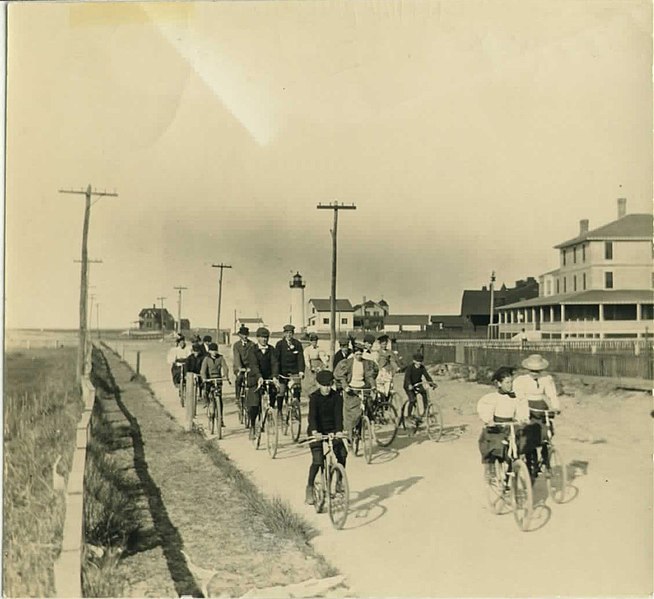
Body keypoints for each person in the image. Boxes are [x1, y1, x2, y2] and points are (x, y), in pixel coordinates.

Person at [477, 366, 530, 481]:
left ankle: (522, 465)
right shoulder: (493, 398)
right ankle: (490, 468)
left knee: (524, 441)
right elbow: (485, 409)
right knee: (494, 444)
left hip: (511, 426)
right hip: (497, 427)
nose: (510, 385)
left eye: (511, 382)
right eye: (507, 382)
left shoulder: (516, 397)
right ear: (499, 384)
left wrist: (523, 418)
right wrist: (489, 420)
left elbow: (521, 409)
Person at [513, 354, 561, 479]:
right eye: (532, 371)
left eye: (538, 371)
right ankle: (531, 464)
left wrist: (555, 407)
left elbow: (552, 394)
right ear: (528, 369)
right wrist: (523, 413)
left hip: (541, 407)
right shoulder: (521, 380)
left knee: (546, 434)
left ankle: (547, 463)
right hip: (526, 407)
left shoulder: (547, 379)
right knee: (530, 435)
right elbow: (520, 397)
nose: (535, 373)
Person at [305, 369, 346, 504]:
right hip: (316, 431)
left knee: (342, 454)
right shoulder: (314, 398)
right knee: (317, 460)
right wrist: (315, 432)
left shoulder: (337, 397)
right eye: (324, 385)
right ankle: (310, 487)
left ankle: (339, 482)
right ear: (318, 385)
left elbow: (338, 416)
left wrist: (339, 431)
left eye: (329, 385)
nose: (327, 388)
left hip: (332, 430)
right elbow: (312, 417)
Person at [334, 342, 378, 442]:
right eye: (357, 354)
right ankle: (350, 435)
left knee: (366, 408)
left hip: (362, 388)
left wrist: (373, 386)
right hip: (351, 389)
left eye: (360, 354)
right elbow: (341, 377)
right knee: (351, 414)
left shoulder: (366, 363)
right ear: (353, 354)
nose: (359, 356)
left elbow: (369, 376)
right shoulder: (347, 363)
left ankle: (364, 425)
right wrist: (345, 387)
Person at [246, 327, 279, 437]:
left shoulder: (272, 350)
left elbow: (274, 363)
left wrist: (274, 376)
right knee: (254, 404)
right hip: (255, 378)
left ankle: (270, 418)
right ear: (257, 338)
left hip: (268, 377)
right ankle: (252, 426)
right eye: (262, 337)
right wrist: (259, 377)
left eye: (266, 337)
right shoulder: (252, 350)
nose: (264, 339)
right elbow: (254, 365)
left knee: (273, 394)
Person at [275, 324, 306, 407]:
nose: (289, 335)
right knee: (281, 391)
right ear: (284, 334)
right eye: (287, 333)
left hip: (294, 371)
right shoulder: (279, 344)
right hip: (283, 372)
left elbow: (300, 359)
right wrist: (276, 373)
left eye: (290, 333)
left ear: (293, 334)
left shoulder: (297, 344)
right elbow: (276, 360)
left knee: (296, 389)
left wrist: (301, 371)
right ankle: (279, 410)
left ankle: (296, 410)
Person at [199, 343, 231, 420]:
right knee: (206, 391)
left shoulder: (221, 358)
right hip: (209, 379)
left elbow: (225, 367)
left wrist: (226, 376)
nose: (214, 352)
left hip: (218, 379)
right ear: (209, 351)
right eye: (212, 350)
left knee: (219, 398)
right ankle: (208, 404)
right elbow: (203, 370)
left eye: (215, 350)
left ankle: (220, 418)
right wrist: (204, 378)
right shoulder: (206, 359)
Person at [402, 352, 436, 423]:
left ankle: (426, 411)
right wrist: (409, 384)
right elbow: (407, 377)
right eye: (418, 361)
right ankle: (409, 416)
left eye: (420, 361)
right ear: (414, 361)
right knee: (412, 400)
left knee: (425, 394)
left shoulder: (422, 368)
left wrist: (432, 383)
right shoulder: (410, 368)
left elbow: (427, 376)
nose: (419, 363)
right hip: (409, 385)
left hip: (417, 384)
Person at [233, 326, 254, 406]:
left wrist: (252, 367)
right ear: (240, 335)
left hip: (249, 367)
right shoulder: (236, 345)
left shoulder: (252, 344)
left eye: (246, 335)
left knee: (252, 380)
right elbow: (236, 357)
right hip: (239, 367)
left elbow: (253, 357)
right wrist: (239, 368)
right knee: (239, 379)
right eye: (243, 335)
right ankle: (237, 397)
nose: (245, 336)